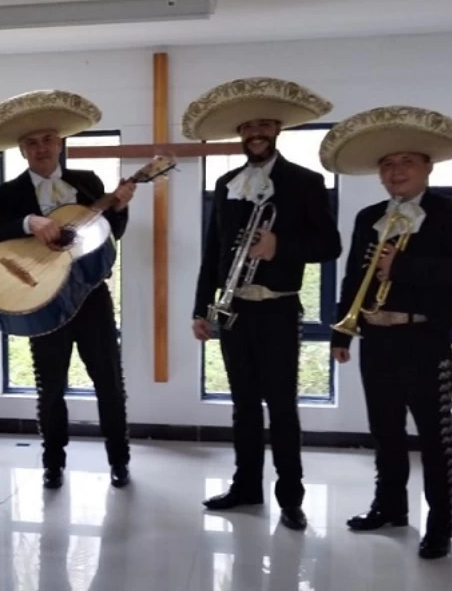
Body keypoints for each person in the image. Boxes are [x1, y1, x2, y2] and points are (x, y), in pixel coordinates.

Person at [185, 77, 342, 530]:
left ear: (277, 129)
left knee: (282, 406)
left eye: (265, 125)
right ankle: (246, 487)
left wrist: (280, 246)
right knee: (243, 405)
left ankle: (290, 496)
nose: (256, 132)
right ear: (241, 133)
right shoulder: (227, 182)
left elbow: (329, 246)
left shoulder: (306, 181)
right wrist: (201, 307)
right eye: (248, 126)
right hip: (234, 308)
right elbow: (213, 252)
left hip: (277, 307)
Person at [0, 89, 136, 489]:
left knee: (109, 382)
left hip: (91, 296)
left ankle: (119, 460)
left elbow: (110, 234)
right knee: (50, 387)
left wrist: (120, 206)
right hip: (41, 299)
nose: (41, 147)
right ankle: (53, 463)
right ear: (23, 150)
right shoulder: (9, 193)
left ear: (59, 143)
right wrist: (30, 222)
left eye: (47, 139)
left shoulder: (87, 181)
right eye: (31, 142)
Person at [322, 105, 452, 559]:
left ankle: (441, 523)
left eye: (406, 162)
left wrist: (406, 266)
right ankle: (391, 506)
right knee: (386, 431)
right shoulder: (368, 217)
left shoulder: (447, 211)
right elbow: (354, 279)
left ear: (427, 168)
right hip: (376, 338)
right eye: (387, 165)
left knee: (438, 438)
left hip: (429, 340)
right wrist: (341, 331)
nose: (396, 172)